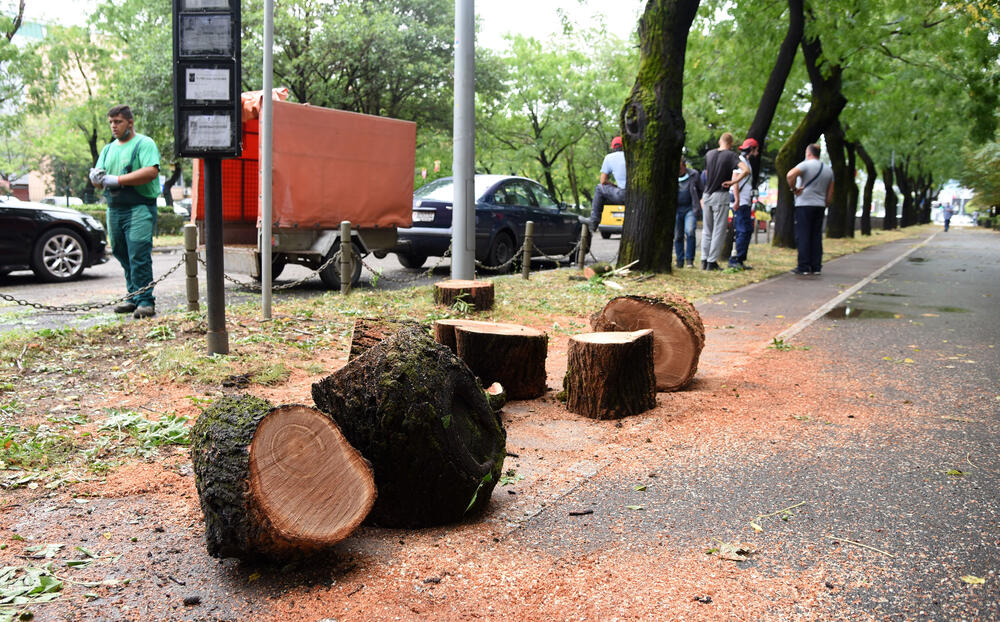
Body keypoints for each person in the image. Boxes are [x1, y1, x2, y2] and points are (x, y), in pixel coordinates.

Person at [90, 105, 162, 318]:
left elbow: (150, 171)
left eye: (118, 121)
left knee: (138, 253)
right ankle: (133, 295)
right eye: (111, 122)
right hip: (115, 208)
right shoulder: (108, 149)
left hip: (139, 207)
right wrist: (95, 179)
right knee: (121, 252)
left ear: (130, 123)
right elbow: (99, 180)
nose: (114, 126)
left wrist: (118, 179)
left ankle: (145, 300)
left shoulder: (144, 144)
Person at [785, 143, 834, 275]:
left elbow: (790, 175)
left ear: (808, 153)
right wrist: (825, 203)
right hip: (820, 205)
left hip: (805, 204)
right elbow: (830, 193)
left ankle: (804, 266)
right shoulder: (828, 170)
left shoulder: (805, 164)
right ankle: (816, 266)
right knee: (816, 236)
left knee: (803, 235)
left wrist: (794, 189)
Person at [700, 133, 740, 270]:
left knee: (707, 229)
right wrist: (734, 181)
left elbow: (706, 174)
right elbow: (745, 170)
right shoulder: (731, 155)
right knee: (719, 230)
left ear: (719, 141)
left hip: (707, 194)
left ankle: (704, 260)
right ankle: (712, 262)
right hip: (720, 194)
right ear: (731, 143)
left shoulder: (709, 154)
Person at [728, 138, 759, 269]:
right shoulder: (741, 162)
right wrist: (737, 200)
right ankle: (735, 260)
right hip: (741, 201)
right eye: (756, 149)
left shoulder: (745, 161)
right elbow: (735, 181)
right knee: (743, 230)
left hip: (744, 201)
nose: (757, 152)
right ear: (752, 149)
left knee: (746, 230)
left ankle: (739, 259)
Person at [590, 136, 626, 231]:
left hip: (623, 194)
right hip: (637, 194)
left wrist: (614, 185)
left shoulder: (609, 157)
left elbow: (603, 181)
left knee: (599, 188)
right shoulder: (634, 156)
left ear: (613, 147)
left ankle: (594, 221)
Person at [674, 159, 703, 268]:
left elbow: (701, 190)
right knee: (677, 235)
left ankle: (689, 259)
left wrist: (697, 202)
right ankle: (679, 260)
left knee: (690, 231)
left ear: (684, 166)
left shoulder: (694, 175)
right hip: (677, 209)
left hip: (690, 208)